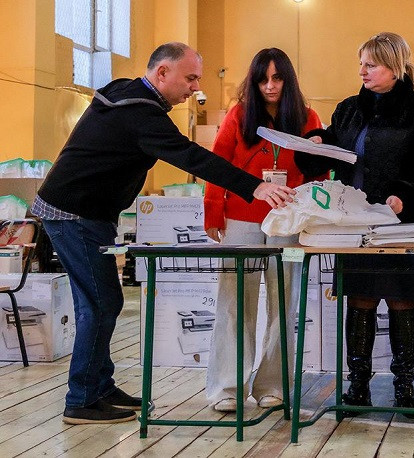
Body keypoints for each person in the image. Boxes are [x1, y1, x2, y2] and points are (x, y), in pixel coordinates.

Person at [32, 42, 295, 425]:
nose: (195, 87)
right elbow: (192, 156)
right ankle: (82, 399)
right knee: (100, 305)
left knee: (103, 303)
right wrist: (254, 186)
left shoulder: (127, 94)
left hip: (87, 213)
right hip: (73, 214)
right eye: (190, 78)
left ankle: (99, 387)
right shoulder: (141, 114)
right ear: (162, 73)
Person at [295, 32, 414, 415]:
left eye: (372, 65)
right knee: (359, 298)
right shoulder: (348, 109)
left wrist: (404, 196)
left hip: (404, 223)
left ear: (394, 67)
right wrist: (316, 142)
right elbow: (334, 151)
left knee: (402, 300)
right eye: (361, 63)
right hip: (355, 222)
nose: (362, 71)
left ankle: (404, 388)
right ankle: (357, 387)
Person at [203, 48, 323, 412]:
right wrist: (213, 210)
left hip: (289, 220)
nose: (270, 86)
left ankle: (273, 385)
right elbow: (217, 164)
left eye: (277, 78)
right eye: (262, 79)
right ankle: (227, 387)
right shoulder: (239, 115)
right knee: (233, 302)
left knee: (283, 304)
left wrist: (314, 215)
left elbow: (320, 174)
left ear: (288, 79)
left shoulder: (309, 117)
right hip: (241, 217)